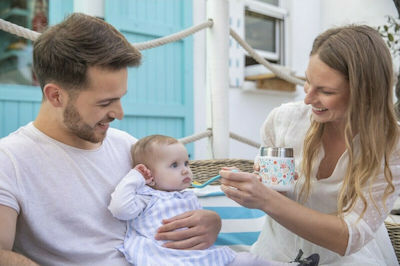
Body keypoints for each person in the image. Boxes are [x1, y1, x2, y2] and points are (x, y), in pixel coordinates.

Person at [0, 13, 221, 266]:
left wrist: (210, 221)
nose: (119, 113)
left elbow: (169, 204)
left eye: (120, 97)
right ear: (56, 96)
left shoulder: (128, 146)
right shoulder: (9, 161)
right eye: (105, 102)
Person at [220, 25, 400, 265]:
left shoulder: (391, 144)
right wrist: (259, 188)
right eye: (308, 81)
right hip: (276, 253)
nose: (307, 98)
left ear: (364, 93)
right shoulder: (283, 121)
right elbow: (275, 192)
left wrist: (266, 199)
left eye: (325, 91)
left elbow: (350, 237)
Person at [108, 134, 319, 266]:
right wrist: (136, 177)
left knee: (247, 259)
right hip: (167, 259)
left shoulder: (188, 194)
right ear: (150, 175)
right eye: (174, 165)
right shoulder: (147, 198)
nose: (185, 171)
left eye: (186, 163)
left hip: (201, 257)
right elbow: (119, 208)